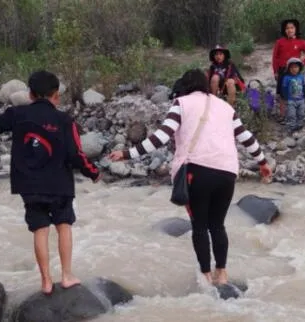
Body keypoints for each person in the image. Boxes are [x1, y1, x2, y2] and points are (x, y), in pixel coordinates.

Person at [108, 69, 272, 285]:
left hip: (198, 171)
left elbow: (161, 137)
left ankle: (205, 275)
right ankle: (221, 273)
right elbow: (246, 138)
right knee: (218, 225)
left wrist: (127, 154)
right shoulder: (225, 107)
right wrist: (262, 163)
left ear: (185, 86)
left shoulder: (182, 103)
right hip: (227, 173)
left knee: (200, 226)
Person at [0, 70, 102, 294]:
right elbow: (76, 154)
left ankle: (45, 281)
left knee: (40, 230)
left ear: (30, 94)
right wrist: (93, 172)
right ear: (56, 96)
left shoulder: (18, 114)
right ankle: (67, 275)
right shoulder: (64, 120)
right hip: (59, 185)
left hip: (29, 186)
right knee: (64, 226)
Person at [272, 19, 305, 123]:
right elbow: (275, 58)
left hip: (295, 71)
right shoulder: (279, 42)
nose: (289, 30)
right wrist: (275, 71)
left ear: (296, 29)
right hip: (282, 70)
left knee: (295, 92)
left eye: (292, 28)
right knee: (282, 94)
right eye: (287, 28)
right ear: (284, 30)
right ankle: (282, 115)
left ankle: (296, 115)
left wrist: (302, 63)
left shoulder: (301, 42)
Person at [281, 58, 305, 133]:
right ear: (288, 68)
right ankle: (291, 127)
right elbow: (284, 88)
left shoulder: (301, 76)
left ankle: (299, 125)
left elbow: (304, 86)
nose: (294, 69)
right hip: (291, 100)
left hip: (301, 100)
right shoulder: (286, 78)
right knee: (291, 115)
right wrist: (285, 98)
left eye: (296, 67)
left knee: (301, 113)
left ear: (299, 68)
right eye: (291, 67)